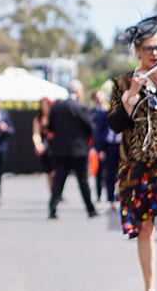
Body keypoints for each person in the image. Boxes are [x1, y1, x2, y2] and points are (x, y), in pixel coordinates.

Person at [108, 14, 157, 291]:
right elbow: (116, 124)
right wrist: (132, 94)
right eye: (150, 48)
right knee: (145, 227)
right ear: (138, 50)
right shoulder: (123, 82)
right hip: (138, 164)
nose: (155, 53)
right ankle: (149, 286)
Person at [47, 80, 98, 219]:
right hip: (78, 150)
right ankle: (90, 209)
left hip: (60, 150)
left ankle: (52, 208)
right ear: (77, 91)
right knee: (83, 181)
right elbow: (90, 127)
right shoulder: (80, 108)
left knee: (59, 181)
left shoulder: (56, 108)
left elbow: (50, 127)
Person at [91, 89, 121, 210]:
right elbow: (98, 133)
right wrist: (100, 149)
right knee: (109, 173)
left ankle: (119, 197)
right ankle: (110, 198)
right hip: (109, 146)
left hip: (121, 146)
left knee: (121, 173)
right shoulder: (104, 115)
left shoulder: (124, 115)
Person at [32, 97, 54, 191]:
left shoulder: (53, 117)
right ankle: (52, 192)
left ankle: (57, 191)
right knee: (49, 171)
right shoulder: (38, 118)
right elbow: (36, 134)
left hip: (54, 146)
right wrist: (38, 145)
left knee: (56, 171)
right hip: (44, 148)